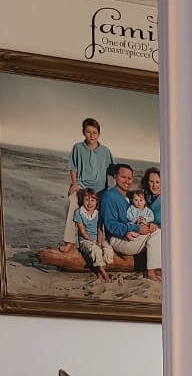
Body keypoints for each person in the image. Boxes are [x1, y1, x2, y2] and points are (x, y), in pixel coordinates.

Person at [60, 118, 115, 254]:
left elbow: (113, 171)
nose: (91, 135)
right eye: (88, 132)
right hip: (82, 188)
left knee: (107, 210)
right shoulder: (78, 148)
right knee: (71, 202)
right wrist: (74, 184)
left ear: (99, 134)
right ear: (83, 132)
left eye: (94, 133)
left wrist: (116, 188)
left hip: (100, 191)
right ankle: (69, 242)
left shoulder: (105, 151)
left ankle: (109, 242)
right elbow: (73, 168)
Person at [100, 162, 161, 281]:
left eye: (129, 178)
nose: (127, 181)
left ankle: (149, 268)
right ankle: (151, 273)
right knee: (158, 233)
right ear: (115, 177)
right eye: (123, 177)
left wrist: (147, 225)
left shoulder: (130, 196)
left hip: (130, 236)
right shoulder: (109, 197)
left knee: (156, 231)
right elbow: (110, 225)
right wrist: (137, 228)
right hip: (117, 239)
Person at [73, 188, 115, 281]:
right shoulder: (78, 212)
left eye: (92, 200)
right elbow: (82, 231)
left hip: (98, 239)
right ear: (82, 201)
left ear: (96, 202)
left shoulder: (98, 213)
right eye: (87, 200)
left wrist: (99, 242)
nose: (89, 203)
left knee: (108, 248)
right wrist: (93, 241)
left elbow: (100, 229)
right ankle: (104, 274)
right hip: (85, 240)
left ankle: (99, 270)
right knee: (96, 250)